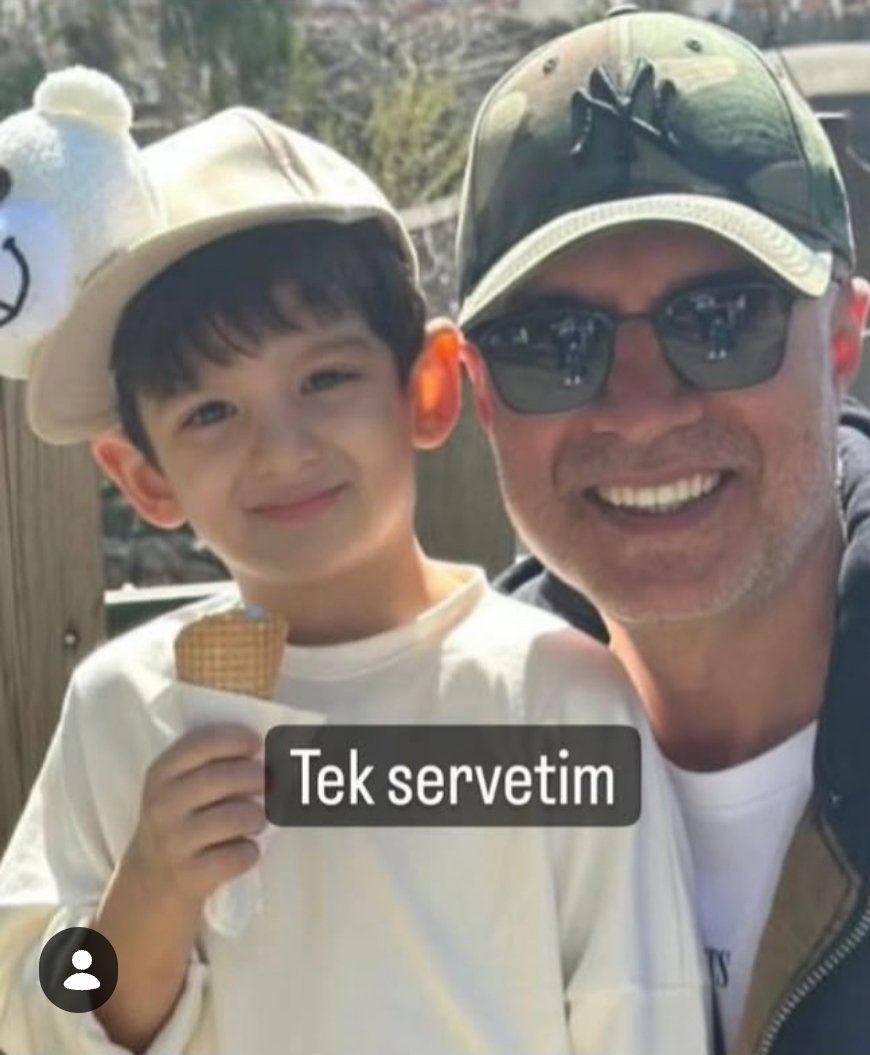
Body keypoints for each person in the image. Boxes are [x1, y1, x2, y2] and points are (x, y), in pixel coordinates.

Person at [0, 98, 711, 1054]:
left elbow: (645, 1010)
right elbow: (32, 1005)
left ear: (429, 388)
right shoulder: (120, 711)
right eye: (209, 412)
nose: (281, 448)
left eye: (324, 379)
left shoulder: (555, 698)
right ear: (143, 477)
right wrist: (147, 900)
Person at [455, 7, 870, 1054]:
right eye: (554, 342)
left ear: (840, 337)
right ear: (479, 393)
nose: (640, 409)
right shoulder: (432, 772)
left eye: (720, 320)